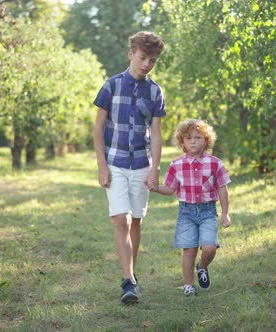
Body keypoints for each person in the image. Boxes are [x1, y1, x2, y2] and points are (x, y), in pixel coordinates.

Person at [93, 31, 165, 304]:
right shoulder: (111, 86)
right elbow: (98, 127)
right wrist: (102, 164)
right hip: (115, 162)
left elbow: (156, 134)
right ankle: (128, 280)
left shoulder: (155, 91)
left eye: (152, 60)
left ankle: (131, 275)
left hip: (141, 165)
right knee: (120, 219)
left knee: (136, 220)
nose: (147, 64)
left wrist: (155, 169)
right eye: (143, 57)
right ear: (131, 54)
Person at [148, 119, 231, 297]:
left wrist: (225, 213)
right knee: (189, 249)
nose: (193, 141)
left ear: (206, 140)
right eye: (188, 138)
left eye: (198, 137)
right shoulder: (176, 165)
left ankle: (202, 266)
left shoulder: (216, 163)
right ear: (182, 142)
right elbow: (170, 189)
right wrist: (155, 188)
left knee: (209, 247)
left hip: (208, 211)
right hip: (186, 212)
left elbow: (222, 189)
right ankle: (189, 285)